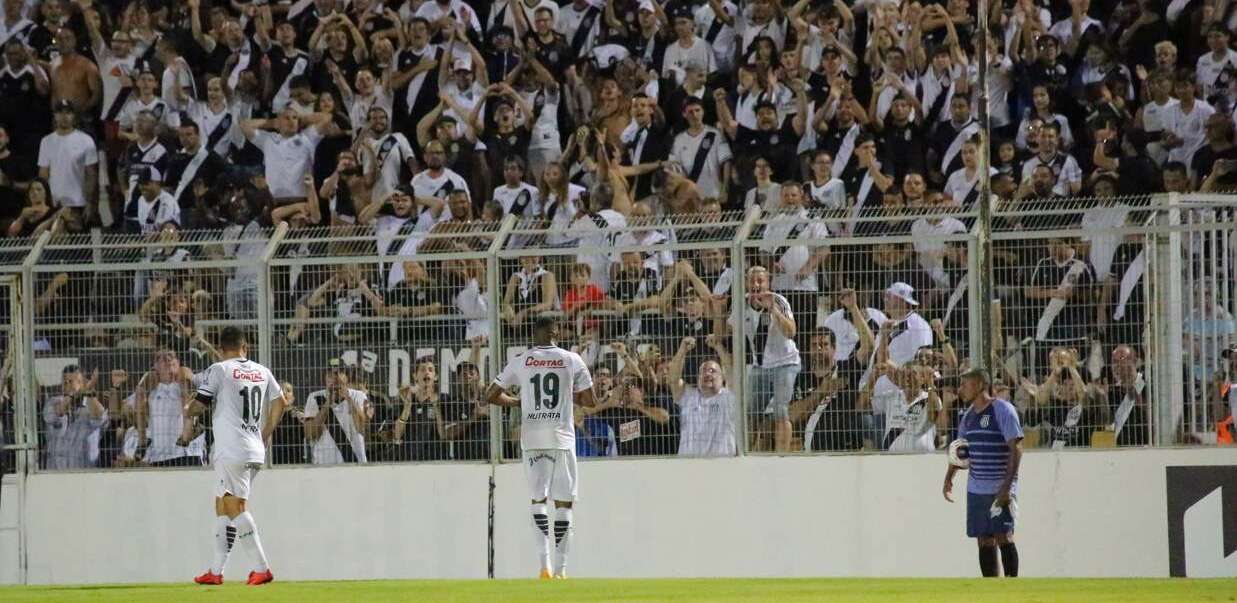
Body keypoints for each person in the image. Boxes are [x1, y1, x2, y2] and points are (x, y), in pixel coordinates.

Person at [485, 315, 597, 580]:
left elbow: (490, 394)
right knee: (564, 503)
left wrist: (517, 402)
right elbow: (591, 401)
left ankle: (544, 566)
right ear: (555, 331)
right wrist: (568, 393)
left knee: (538, 498)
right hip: (561, 438)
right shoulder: (572, 359)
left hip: (533, 438)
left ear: (534, 334)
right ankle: (561, 570)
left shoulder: (521, 360)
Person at [181, 327, 288, 586]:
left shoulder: (219, 369)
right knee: (222, 505)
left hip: (232, 449)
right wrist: (265, 432)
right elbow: (281, 402)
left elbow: (199, 406)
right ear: (245, 347)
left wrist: (187, 408)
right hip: (253, 447)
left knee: (235, 506)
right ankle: (215, 572)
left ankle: (262, 568)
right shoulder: (262, 371)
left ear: (222, 346)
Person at [943, 368, 1024, 578]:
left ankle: (1013, 589)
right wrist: (950, 475)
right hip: (976, 488)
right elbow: (961, 449)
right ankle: (991, 591)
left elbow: (1016, 448)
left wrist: (1007, 487)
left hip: (1000, 487)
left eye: (965, 384)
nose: (961, 389)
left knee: (1003, 535)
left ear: (979, 385)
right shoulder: (968, 417)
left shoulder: (1002, 410)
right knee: (984, 538)